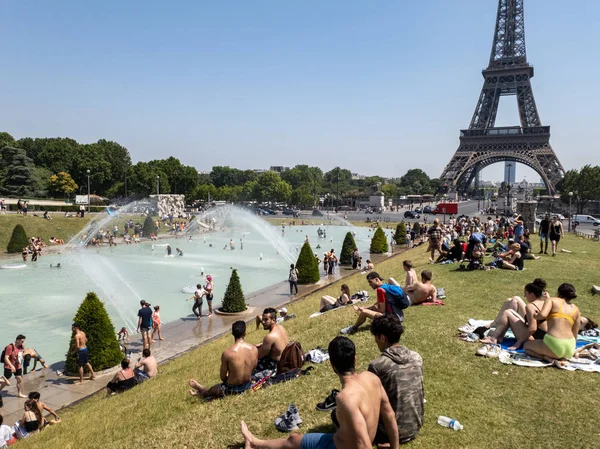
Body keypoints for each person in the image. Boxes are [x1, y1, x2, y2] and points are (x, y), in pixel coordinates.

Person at [240, 336, 399, 449]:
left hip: (338, 445)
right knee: (295, 439)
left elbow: (364, 445)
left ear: (332, 365)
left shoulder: (345, 398)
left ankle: (254, 442)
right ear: (355, 359)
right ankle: (255, 443)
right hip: (344, 439)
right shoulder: (372, 378)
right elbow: (390, 416)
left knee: (292, 440)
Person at [369, 315, 424, 445]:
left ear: (382, 337)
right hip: (415, 426)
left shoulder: (378, 366)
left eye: (375, 337)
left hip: (390, 433)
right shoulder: (417, 357)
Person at [189, 321, 258, 398]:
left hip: (231, 389)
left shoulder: (227, 353)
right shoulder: (254, 349)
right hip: (247, 385)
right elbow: (254, 367)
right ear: (245, 333)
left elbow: (223, 377)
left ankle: (201, 391)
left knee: (211, 390)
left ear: (232, 334)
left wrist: (231, 377)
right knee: (214, 389)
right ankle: (201, 390)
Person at [479, 282, 549, 349]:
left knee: (507, 312)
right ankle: (498, 336)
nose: (525, 296)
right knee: (510, 311)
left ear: (532, 295)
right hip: (544, 337)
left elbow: (532, 328)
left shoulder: (530, 306)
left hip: (534, 340)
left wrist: (519, 342)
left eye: (526, 293)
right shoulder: (546, 303)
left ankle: (494, 338)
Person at [524, 283, 580, 363]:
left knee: (527, 346)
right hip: (570, 347)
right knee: (557, 350)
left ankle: (547, 358)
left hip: (554, 342)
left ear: (559, 292)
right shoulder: (576, 309)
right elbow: (575, 333)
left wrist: (535, 315)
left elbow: (542, 315)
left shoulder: (552, 300)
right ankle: (561, 357)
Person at [341, 272, 408, 335]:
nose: (369, 284)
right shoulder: (386, 287)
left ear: (376, 279)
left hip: (392, 321)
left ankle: (353, 328)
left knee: (364, 312)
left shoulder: (380, 290)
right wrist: (363, 308)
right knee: (367, 310)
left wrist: (367, 310)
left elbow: (381, 310)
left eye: (370, 282)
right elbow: (377, 304)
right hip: (399, 318)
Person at [255, 308, 289, 374]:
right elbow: (277, 343)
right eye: (263, 320)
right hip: (285, 360)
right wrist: (262, 344)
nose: (263, 322)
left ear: (273, 320)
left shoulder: (270, 337)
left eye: (266, 320)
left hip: (275, 366)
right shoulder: (281, 327)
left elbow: (258, 356)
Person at [1, 335, 27, 402]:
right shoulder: (10, 347)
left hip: (18, 366)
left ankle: (19, 393)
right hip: (9, 366)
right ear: (17, 340)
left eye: (23, 341)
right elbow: (6, 358)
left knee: (19, 379)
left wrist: (21, 359)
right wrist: (11, 366)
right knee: (7, 382)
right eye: (22, 341)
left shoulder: (22, 346)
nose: (23, 343)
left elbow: (21, 354)